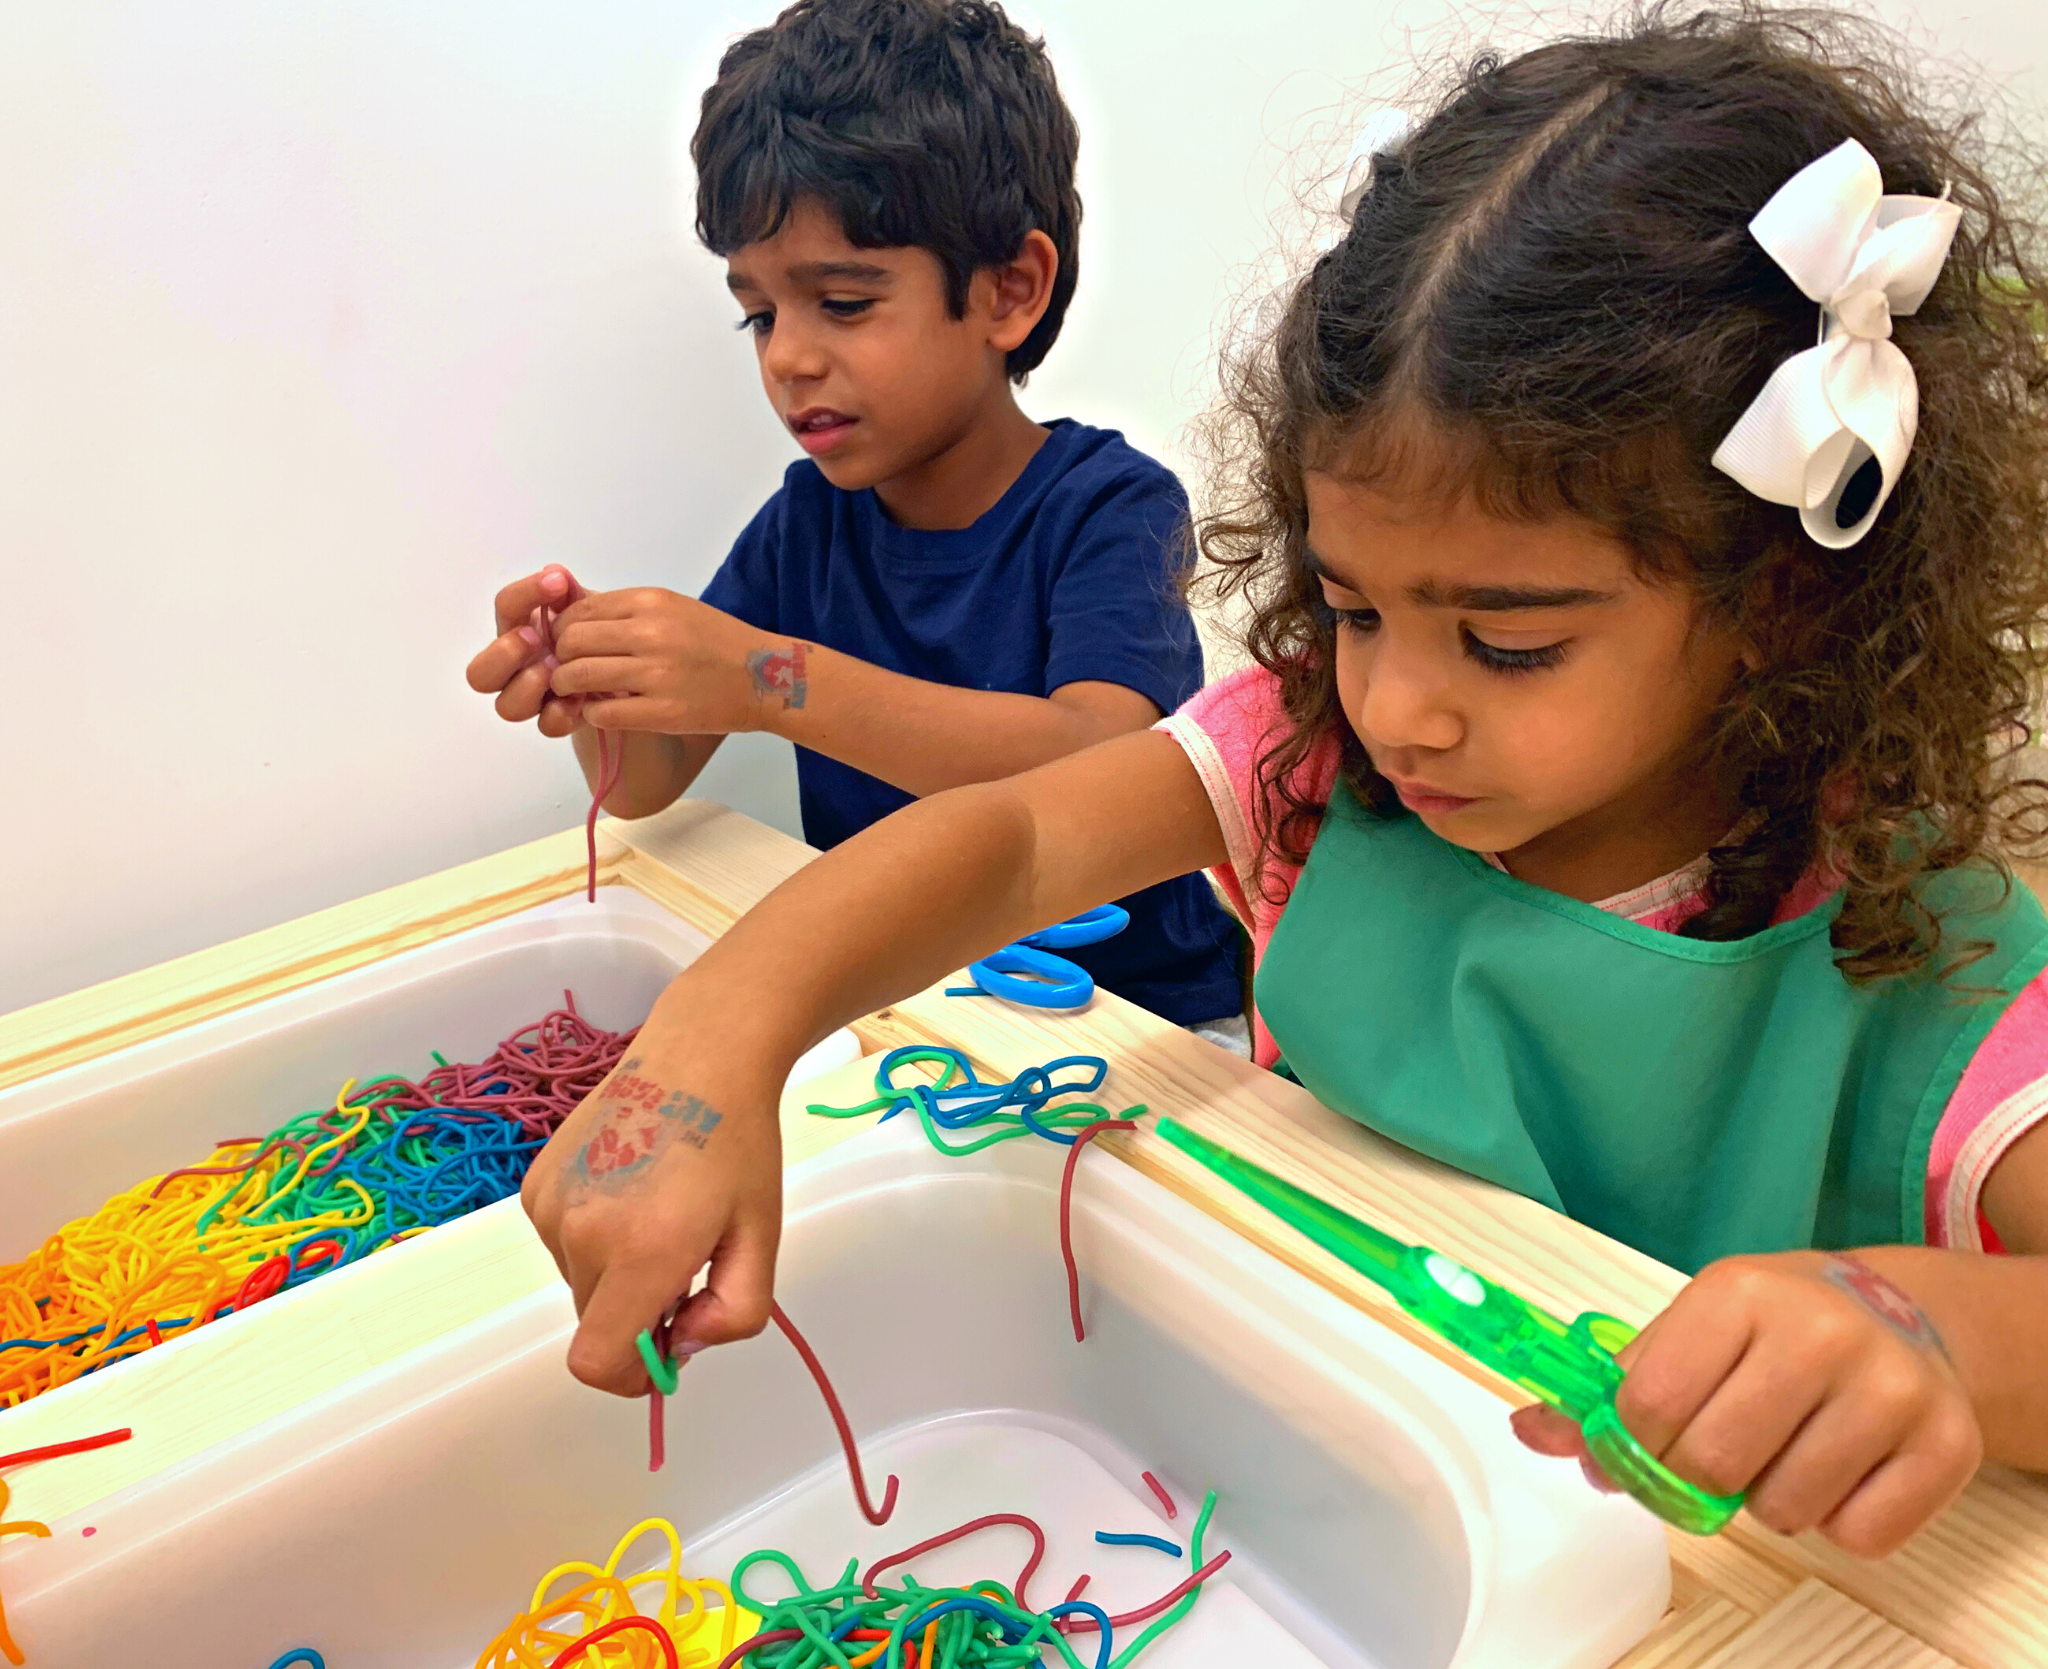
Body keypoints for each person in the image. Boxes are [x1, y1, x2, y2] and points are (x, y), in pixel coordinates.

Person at [518, 5, 2048, 1557]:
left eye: (1507, 645)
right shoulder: (1312, 761)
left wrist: (1936, 1333)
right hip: (1286, 1516)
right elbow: (1009, 843)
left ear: (1779, 598)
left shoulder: (1928, 949)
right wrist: (714, 1040)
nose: (1395, 709)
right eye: (1356, 607)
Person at [464, 0, 1243, 1035]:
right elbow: (647, 782)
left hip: (1145, 1034)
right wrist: (597, 678)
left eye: (840, 302)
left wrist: (766, 680)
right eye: (758, 311)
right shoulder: (805, 527)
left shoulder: (1111, 506)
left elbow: (1096, 760)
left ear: (1010, 289)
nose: (785, 355)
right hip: (911, 1023)